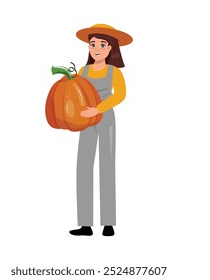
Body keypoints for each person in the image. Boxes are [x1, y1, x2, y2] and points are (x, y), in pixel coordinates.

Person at [69, 24, 133, 236]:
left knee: (107, 166)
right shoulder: (83, 71)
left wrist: (97, 109)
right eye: (92, 44)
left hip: (105, 119)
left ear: (111, 49)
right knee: (83, 167)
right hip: (85, 120)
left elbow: (119, 96)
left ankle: (108, 223)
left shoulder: (114, 72)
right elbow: (75, 93)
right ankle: (85, 224)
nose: (96, 48)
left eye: (101, 45)